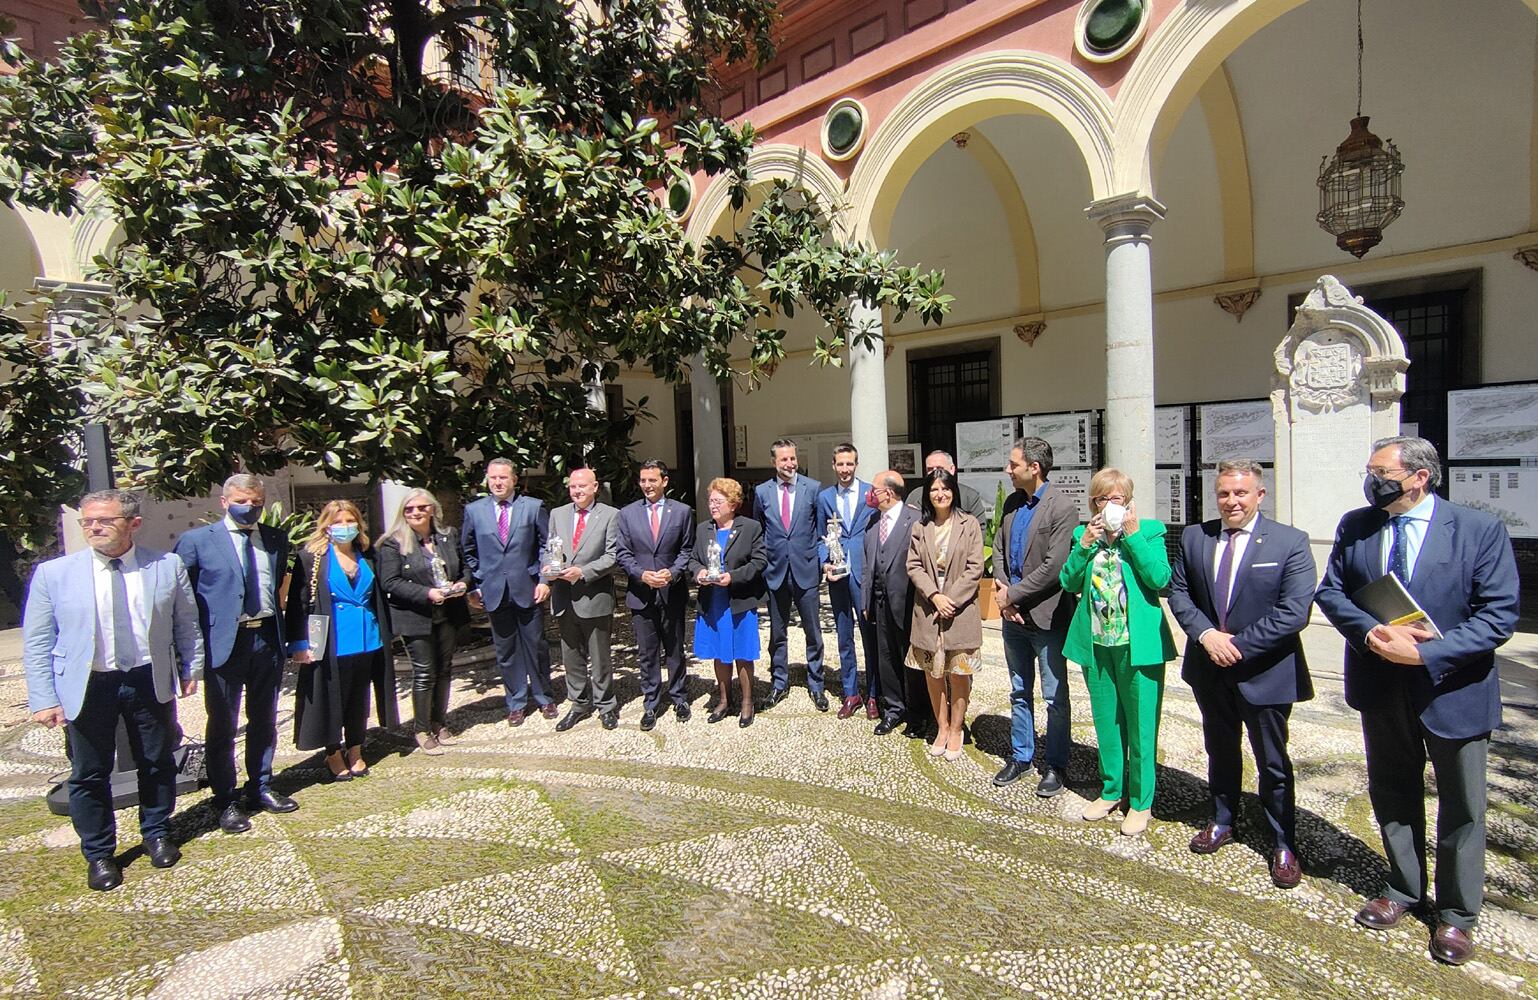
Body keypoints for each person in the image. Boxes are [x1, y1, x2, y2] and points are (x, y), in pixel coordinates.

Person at [1315, 436, 1518, 966]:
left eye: (1381, 472)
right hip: (1381, 686)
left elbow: (1499, 615)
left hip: (1454, 689)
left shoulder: (1479, 530)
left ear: (1419, 477)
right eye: (1370, 471)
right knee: (1392, 791)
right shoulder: (1356, 525)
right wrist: (1373, 636)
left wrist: (1427, 655)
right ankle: (1403, 888)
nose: (1371, 480)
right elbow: (1332, 591)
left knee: (1463, 806)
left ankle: (1456, 915)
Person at [22, 489, 203, 891]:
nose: (94, 527)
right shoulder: (54, 575)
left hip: (146, 678)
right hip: (88, 684)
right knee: (89, 773)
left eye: (104, 520)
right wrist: (44, 697)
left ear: (133, 523)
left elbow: (185, 622)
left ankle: (156, 832)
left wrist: (190, 668)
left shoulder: (166, 565)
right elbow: (36, 641)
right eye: (87, 522)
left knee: (156, 761)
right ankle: (100, 853)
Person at [1168, 460, 1316, 889]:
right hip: (1209, 668)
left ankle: (1283, 841)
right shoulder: (1197, 537)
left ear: (1259, 495)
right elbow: (1179, 592)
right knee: (1220, 748)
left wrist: (1238, 645)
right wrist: (1206, 635)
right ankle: (1222, 818)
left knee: (1272, 761)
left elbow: (1294, 611)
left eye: (1241, 493)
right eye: (1224, 494)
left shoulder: (1290, 542)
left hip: (1265, 671)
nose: (1231, 501)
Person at [173, 473, 297, 834]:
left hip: (267, 641)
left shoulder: (275, 538)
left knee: (264, 718)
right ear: (224, 501)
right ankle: (225, 799)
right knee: (222, 724)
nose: (251, 508)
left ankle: (260, 786)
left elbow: (278, 588)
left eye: (257, 503)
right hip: (224, 644)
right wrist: (186, 654)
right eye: (243, 501)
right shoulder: (196, 541)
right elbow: (182, 602)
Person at [1059, 468, 1177, 837]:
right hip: (1097, 644)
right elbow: (1068, 581)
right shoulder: (1084, 535)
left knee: (1141, 726)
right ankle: (1111, 790)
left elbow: (1160, 578)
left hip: (1137, 647)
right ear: (1092, 503)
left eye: (1116, 499)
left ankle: (1141, 801)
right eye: (1101, 499)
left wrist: (1133, 536)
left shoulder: (1150, 531)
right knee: (1106, 722)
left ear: (1128, 502)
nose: (1109, 505)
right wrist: (1085, 546)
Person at [286, 500, 399, 780]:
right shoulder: (311, 558)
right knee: (331, 698)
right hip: (331, 639)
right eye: (338, 522)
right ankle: (333, 751)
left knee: (358, 698)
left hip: (367, 638)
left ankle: (356, 748)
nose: (345, 527)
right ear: (326, 526)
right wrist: (298, 643)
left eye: (350, 521)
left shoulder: (368, 554)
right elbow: (299, 603)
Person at [991, 437, 1078, 797]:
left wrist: (1011, 594)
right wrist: (1005, 598)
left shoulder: (1062, 507)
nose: (1008, 470)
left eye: (1013, 465)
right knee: (1018, 690)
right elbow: (997, 547)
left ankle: (1056, 764)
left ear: (1034, 467)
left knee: (1054, 696)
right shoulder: (1012, 502)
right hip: (1013, 618)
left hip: (1047, 616)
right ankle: (1021, 756)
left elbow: (1054, 567)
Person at [461, 458, 554, 726]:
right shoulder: (474, 511)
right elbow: (468, 551)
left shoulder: (533, 507)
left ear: (514, 480)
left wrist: (544, 579)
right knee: (506, 649)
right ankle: (516, 701)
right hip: (493, 591)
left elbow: (546, 545)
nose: (498, 483)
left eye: (503, 478)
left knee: (536, 645)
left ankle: (544, 696)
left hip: (528, 588)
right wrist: (477, 583)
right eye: (493, 478)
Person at [378, 489, 470, 756]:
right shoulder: (393, 543)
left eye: (420, 507)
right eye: (409, 509)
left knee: (445, 669)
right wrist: (427, 594)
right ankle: (421, 729)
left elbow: (464, 567)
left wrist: (463, 583)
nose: (415, 513)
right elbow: (390, 582)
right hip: (416, 617)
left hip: (448, 614)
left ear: (432, 509)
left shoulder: (448, 535)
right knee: (425, 672)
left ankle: (439, 722)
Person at [906, 469, 985, 762]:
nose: (941, 494)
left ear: (954, 491)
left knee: (959, 672)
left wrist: (950, 599)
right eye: (935, 489)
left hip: (959, 609)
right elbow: (914, 566)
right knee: (933, 672)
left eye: (946, 488)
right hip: (928, 609)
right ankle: (941, 726)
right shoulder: (920, 527)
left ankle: (956, 727)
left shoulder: (970, 524)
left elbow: (975, 567)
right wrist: (935, 596)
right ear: (928, 494)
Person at [615, 460, 694, 730]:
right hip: (642, 592)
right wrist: (641, 575)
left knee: (675, 648)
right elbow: (623, 553)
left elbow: (687, 550)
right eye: (643, 481)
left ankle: (679, 697)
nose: (647, 485)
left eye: (652, 480)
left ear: (664, 482)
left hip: (672, 591)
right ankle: (651, 702)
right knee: (647, 652)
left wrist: (672, 573)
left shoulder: (682, 512)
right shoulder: (626, 514)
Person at [754, 439, 827, 711]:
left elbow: (820, 531)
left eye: (793, 459)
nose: (790, 464)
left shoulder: (813, 488)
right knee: (778, 632)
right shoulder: (762, 492)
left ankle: (817, 684)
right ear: (774, 461)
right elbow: (761, 531)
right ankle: (778, 683)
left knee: (813, 631)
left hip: (806, 570)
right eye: (784, 460)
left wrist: (819, 563)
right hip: (775, 572)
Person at [689, 478, 767, 728]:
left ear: (733, 504)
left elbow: (759, 562)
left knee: (742, 653)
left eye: (718, 501)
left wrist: (732, 577)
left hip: (739, 601)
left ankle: (746, 702)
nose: (712, 506)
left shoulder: (751, 527)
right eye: (710, 501)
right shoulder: (703, 529)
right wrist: (699, 572)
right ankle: (724, 699)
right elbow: (693, 559)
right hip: (712, 601)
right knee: (719, 653)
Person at [548, 468, 620, 732]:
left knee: (600, 656)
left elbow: (613, 555)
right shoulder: (558, 514)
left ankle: (606, 706)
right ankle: (578, 704)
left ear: (595, 487)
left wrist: (584, 572)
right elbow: (550, 548)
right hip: (564, 596)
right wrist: (549, 568)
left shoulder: (611, 515)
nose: (577, 491)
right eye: (573, 486)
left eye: (582, 486)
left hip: (594, 595)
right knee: (571, 656)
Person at [816, 443, 878, 719]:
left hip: (865, 575)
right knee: (844, 637)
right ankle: (851, 693)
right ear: (833, 465)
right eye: (840, 464)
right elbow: (820, 537)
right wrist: (824, 562)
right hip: (838, 577)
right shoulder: (825, 497)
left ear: (856, 464)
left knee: (870, 636)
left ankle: (875, 694)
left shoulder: (870, 494)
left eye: (849, 464)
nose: (845, 469)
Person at [862, 470, 921, 735]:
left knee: (911, 659)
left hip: (908, 603)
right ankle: (893, 709)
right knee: (886, 658)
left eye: (874, 489)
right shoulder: (873, 522)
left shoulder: (915, 520)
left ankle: (918, 713)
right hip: (879, 603)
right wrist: (866, 600)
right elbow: (868, 564)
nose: (870, 494)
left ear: (887, 492)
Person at [904, 450, 987, 521]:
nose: (935, 473)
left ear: (952, 469)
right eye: (930, 469)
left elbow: (979, 531)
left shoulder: (969, 496)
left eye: (940, 468)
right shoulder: (915, 496)